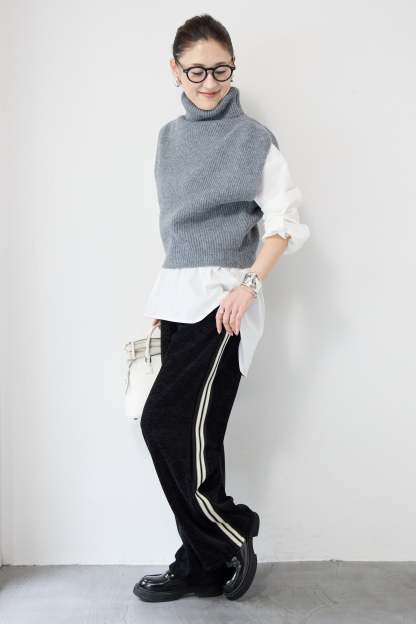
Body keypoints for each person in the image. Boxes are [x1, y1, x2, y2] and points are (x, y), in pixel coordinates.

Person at [133, 14, 311, 603]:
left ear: (233, 68)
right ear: (174, 70)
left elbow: (283, 222)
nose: (210, 82)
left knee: (167, 424)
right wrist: (163, 298)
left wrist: (249, 286)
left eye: (221, 69)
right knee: (190, 435)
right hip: (176, 301)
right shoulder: (168, 139)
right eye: (196, 71)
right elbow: (177, 231)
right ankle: (200, 562)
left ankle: (231, 533)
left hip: (223, 306)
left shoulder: (254, 139)